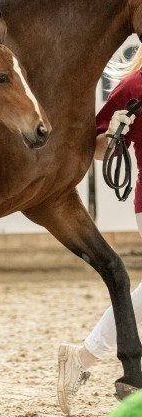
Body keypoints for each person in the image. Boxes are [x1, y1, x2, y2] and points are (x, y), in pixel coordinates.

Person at [57, 44, 142, 416]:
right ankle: (85, 356)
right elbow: (92, 146)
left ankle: (83, 357)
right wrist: (114, 137)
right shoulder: (135, 87)